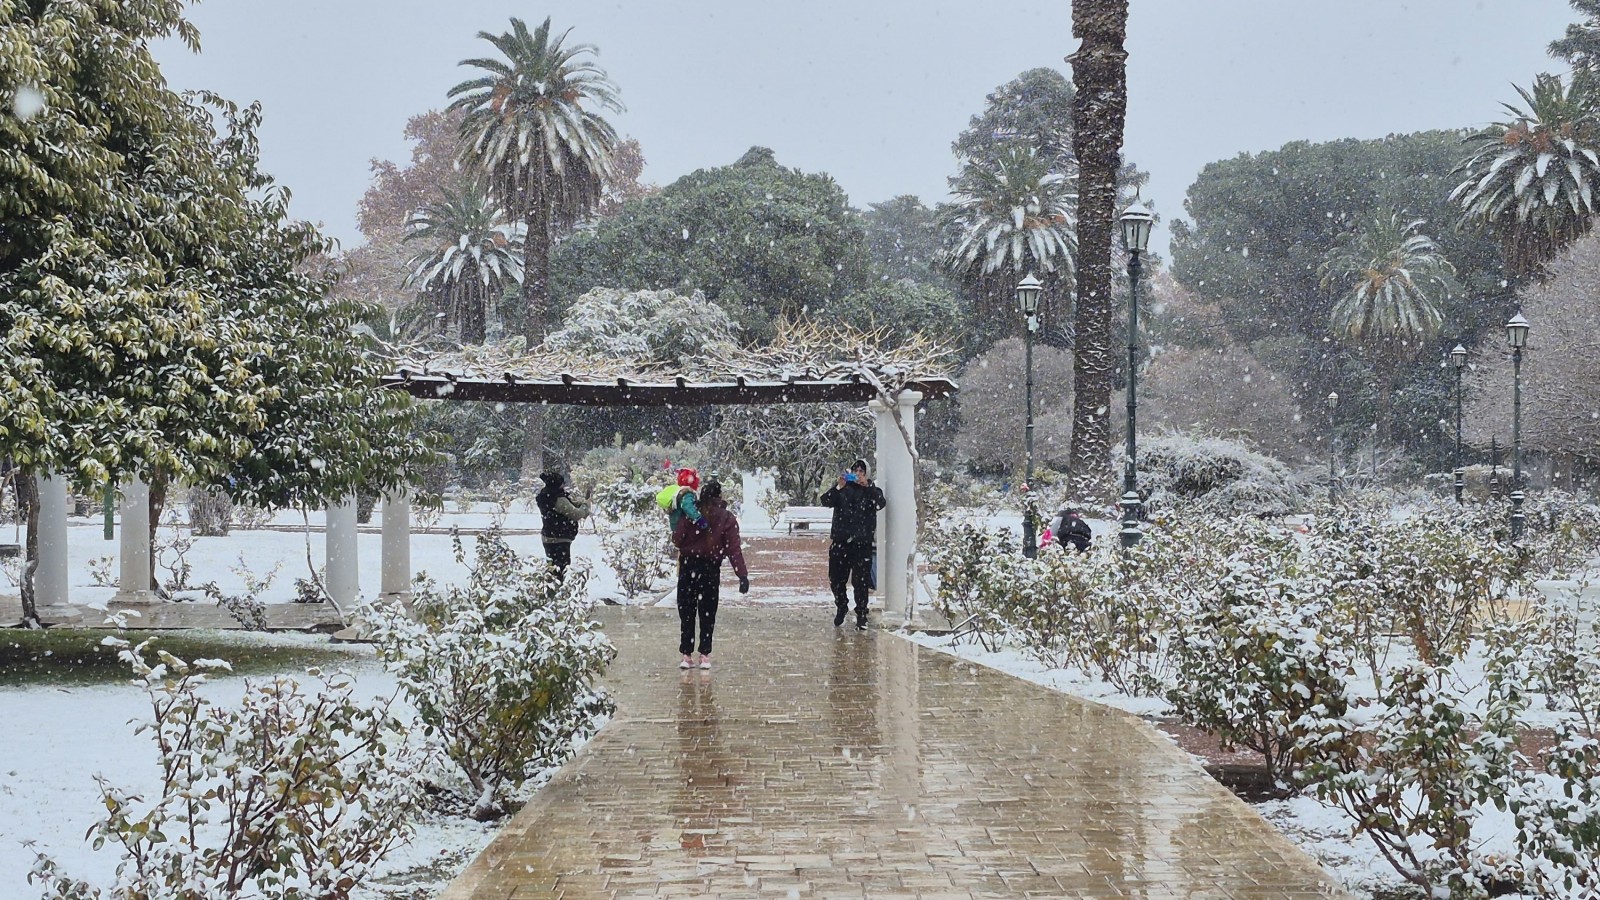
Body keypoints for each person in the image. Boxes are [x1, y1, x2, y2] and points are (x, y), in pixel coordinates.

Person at [670, 480, 748, 670]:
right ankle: (705, 655)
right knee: (708, 612)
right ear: (719, 496)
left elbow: (677, 540)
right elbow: (733, 549)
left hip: (688, 566)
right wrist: (742, 575)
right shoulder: (726, 518)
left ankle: (686, 654)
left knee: (687, 611)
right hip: (710, 569)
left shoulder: (690, 514)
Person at [819, 458, 886, 629]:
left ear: (867, 474)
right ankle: (841, 606)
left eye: (861, 471)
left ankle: (861, 613)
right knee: (836, 579)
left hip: (862, 544)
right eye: (855, 471)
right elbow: (825, 500)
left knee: (861, 582)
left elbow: (880, 503)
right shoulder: (842, 489)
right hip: (840, 542)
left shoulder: (872, 491)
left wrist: (867, 487)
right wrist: (838, 487)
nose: (858, 474)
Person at [535, 471, 590, 576]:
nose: (564, 485)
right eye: (562, 483)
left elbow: (567, 507)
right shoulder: (558, 499)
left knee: (552, 569)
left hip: (549, 536)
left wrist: (578, 503)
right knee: (561, 570)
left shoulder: (546, 495)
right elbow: (576, 514)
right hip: (559, 538)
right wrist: (585, 505)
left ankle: (551, 584)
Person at [657, 467, 707, 534]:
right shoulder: (687, 494)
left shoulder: (678, 492)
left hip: (676, 526)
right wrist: (699, 519)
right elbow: (687, 506)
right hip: (682, 527)